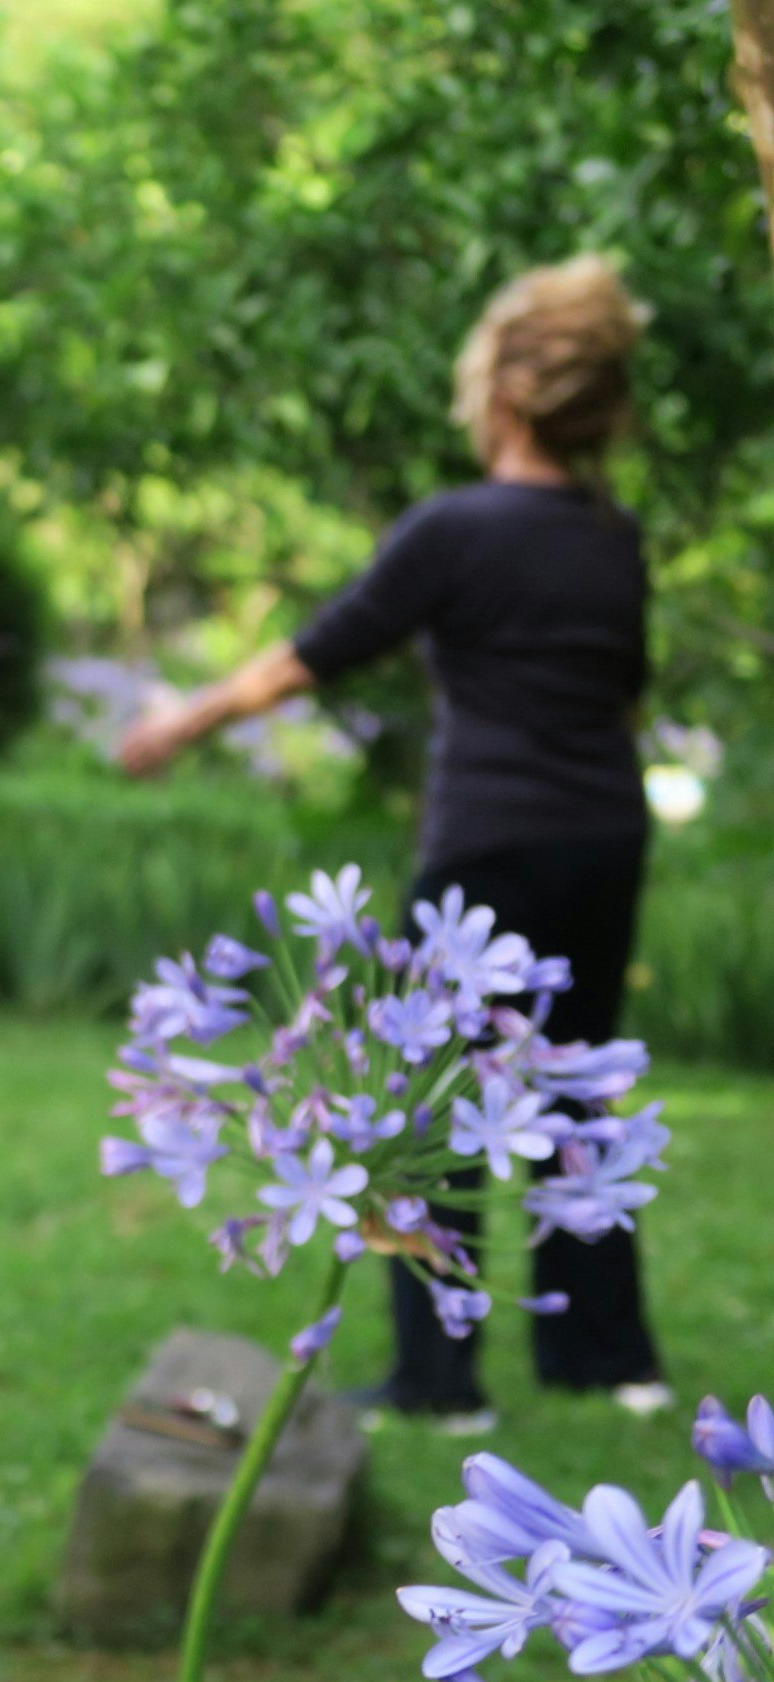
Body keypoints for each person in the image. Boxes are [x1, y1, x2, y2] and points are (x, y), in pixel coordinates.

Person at [117, 257, 667, 1429]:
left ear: (505, 399)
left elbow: (312, 653)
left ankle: (439, 1379)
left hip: (489, 844)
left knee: (428, 1108)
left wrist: (178, 721)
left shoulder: (454, 529)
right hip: (604, 838)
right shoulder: (611, 539)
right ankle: (609, 1362)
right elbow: (622, 691)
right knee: (570, 1086)